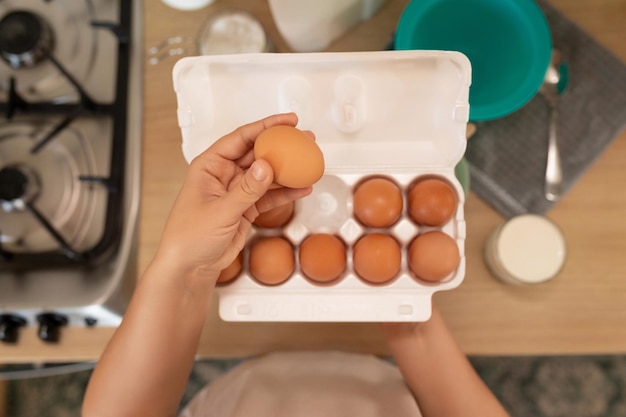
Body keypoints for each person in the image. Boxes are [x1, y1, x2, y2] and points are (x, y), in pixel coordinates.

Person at [82, 113, 510, 417]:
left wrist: (186, 272)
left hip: (246, 397)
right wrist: (407, 320)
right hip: (382, 393)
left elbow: (123, 411)